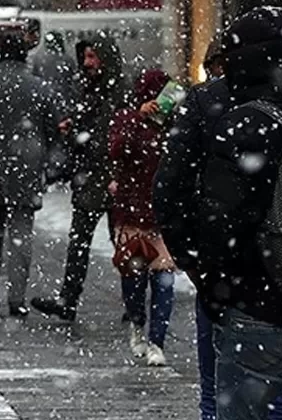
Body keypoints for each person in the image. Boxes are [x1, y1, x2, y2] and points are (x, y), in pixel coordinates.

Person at [166, 9, 282, 420]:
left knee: (228, 404)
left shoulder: (226, 116)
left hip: (252, 305)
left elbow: (182, 202)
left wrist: (211, 281)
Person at [0, 31, 60, 317]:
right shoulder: (39, 87)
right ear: (25, 54)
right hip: (27, 168)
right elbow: (54, 130)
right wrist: (49, 164)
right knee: (21, 234)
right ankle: (16, 297)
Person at [33, 32, 125, 322]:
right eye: (85, 56)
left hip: (110, 177)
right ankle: (70, 298)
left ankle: (131, 301)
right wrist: (74, 128)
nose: (87, 62)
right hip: (94, 178)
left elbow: (104, 137)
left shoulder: (115, 90)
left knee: (119, 242)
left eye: (92, 56)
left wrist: (77, 134)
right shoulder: (90, 88)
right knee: (82, 241)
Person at [108, 68, 176, 367]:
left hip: (164, 215)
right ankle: (137, 324)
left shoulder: (174, 124)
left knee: (163, 283)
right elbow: (116, 149)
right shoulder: (126, 119)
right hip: (133, 214)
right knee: (134, 281)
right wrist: (138, 118)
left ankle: (157, 341)